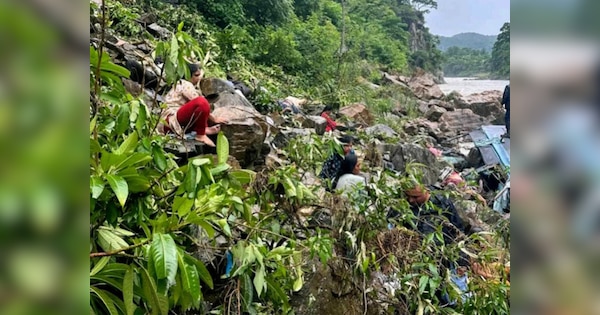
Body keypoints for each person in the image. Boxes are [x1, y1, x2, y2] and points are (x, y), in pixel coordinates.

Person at [158, 63, 228, 147]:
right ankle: (200, 135)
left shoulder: (178, 84)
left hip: (170, 124)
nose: (198, 78)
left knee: (201, 104)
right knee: (202, 102)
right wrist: (214, 119)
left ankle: (203, 130)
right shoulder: (185, 84)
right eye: (196, 75)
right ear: (188, 76)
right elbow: (199, 102)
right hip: (170, 122)